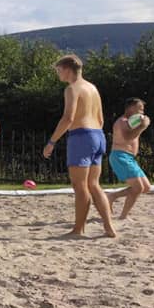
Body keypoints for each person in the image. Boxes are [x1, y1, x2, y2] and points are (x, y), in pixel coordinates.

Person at [42, 54, 116, 237]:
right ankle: (109, 227)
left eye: (59, 71)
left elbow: (68, 118)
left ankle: (78, 229)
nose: (58, 74)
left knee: (80, 185)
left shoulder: (72, 89)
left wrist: (52, 142)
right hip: (98, 135)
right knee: (94, 184)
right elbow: (100, 118)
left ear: (67, 69)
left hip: (81, 136)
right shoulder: (92, 88)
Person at [107, 97, 151, 220]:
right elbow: (127, 137)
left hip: (129, 158)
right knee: (138, 187)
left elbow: (132, 133)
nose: (142, 112)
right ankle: (123, 216)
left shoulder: (131, 122)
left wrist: (141, 125)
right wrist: (143, 126)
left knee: (146, 187)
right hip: (120, 156)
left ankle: (112, 196)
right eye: (140, 108)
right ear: (130, 108)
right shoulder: (122, 121)